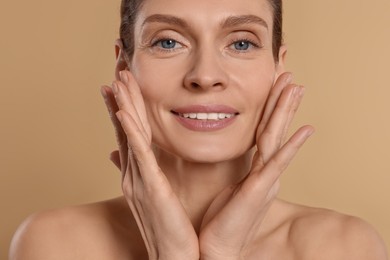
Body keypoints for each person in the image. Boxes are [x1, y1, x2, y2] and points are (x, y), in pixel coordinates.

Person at [9, 0, 388, 259]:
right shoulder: (55, 243)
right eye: (168, 41)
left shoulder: (342, 247)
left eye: (241, 43)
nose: (205, 76)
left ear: (277, 67)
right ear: (124, 66)